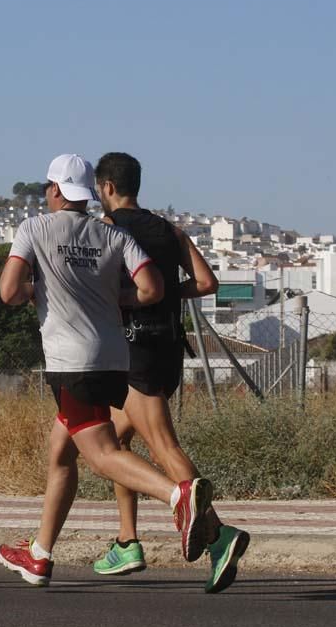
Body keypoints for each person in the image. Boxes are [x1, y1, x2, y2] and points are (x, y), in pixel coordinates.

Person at [0, 154, 214, 587]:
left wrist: (41, 290)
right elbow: (152, 289)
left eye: (47, 187)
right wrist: (117, 299)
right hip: (116, 358)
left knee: (101, 454)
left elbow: (7, 291)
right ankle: (39, 554)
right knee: (61, 450)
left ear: (56, 190)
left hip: (71, 361)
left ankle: (178, 495)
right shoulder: (110, 233)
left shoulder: (35, 228)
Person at [92, 152, 249, 594]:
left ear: (106, 187)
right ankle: (127, 542)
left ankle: (220, 538)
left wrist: (127, 299)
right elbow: (206, 283)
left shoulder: (107, 231)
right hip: (167, 349)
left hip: (131, 351)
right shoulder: (169, 230)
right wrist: (164, 297)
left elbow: (103, 287)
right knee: (115, 440)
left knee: (163, 446)